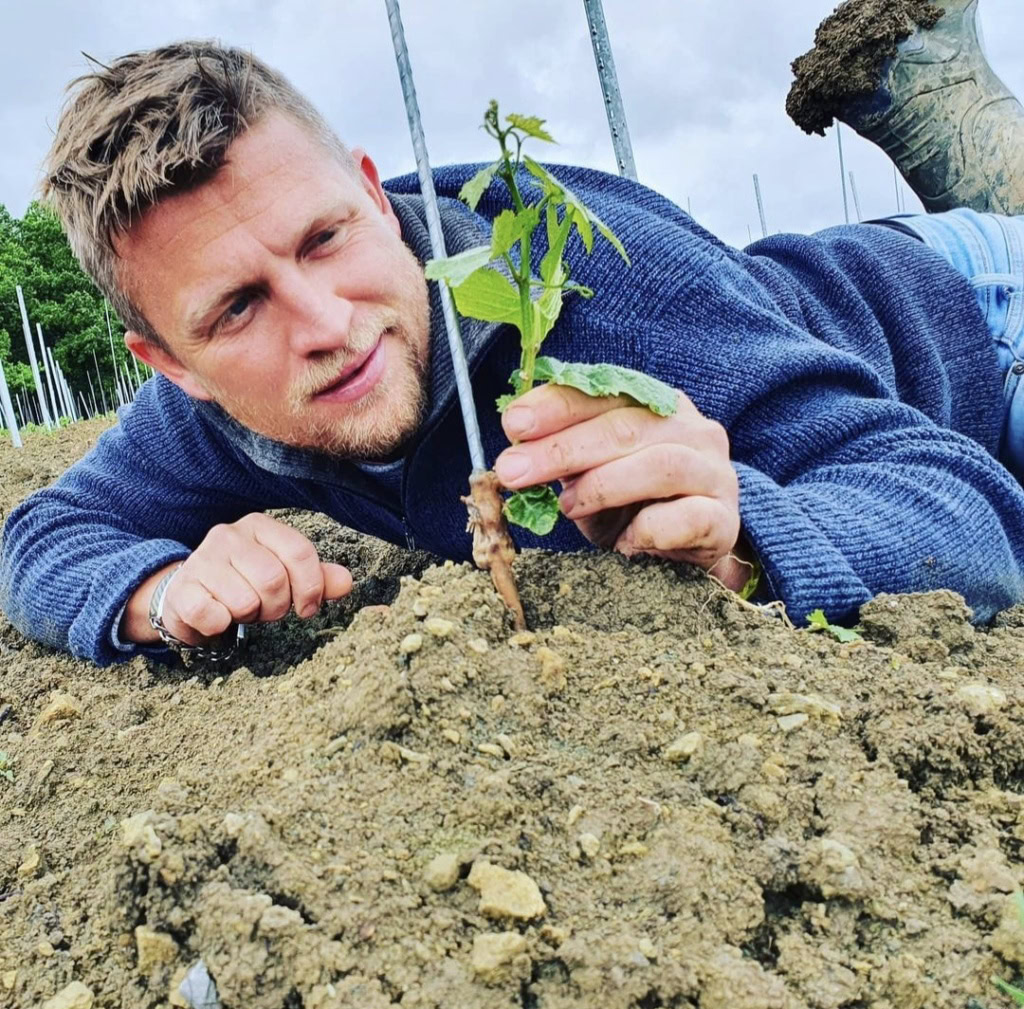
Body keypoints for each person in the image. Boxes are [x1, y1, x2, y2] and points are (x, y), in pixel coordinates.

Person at [2, 7, 1024, 666]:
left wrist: (752, 528)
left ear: (376, 193)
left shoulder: (600, 288)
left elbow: (970, 511)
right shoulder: (205, 415)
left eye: (325, 238)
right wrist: (161, 589)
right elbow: (38, 540)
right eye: (237, 308)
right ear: (173, 368)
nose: (325, 325)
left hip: (968, 316)